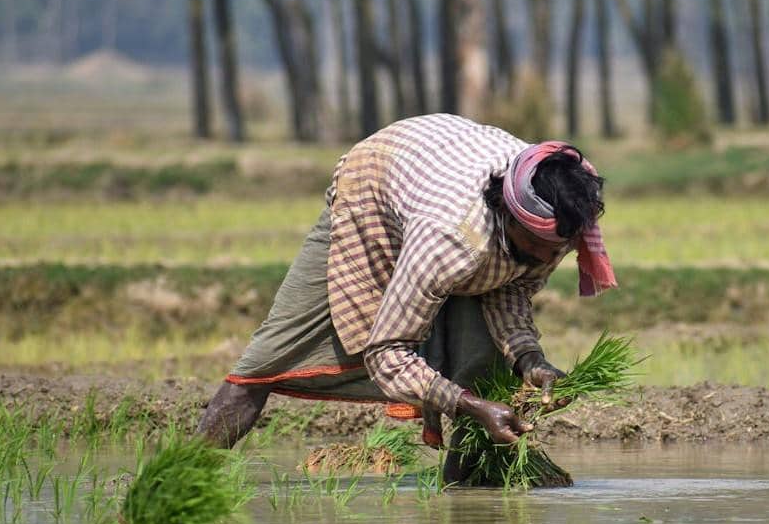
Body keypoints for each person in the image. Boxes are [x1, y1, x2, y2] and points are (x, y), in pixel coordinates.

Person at [195, 113, 615, 480]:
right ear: (508, 215)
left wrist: (529, 359)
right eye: (539, 248)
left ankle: (465, 496)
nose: (547, 259)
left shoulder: (551, 221)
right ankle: (183, 477)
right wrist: (469, 407)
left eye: (558, 250)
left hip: (439, 168)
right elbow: (387, 352)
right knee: (269, 357)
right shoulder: (450, 238)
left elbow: (512, 286)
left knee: (486, 364)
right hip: (376, 187)